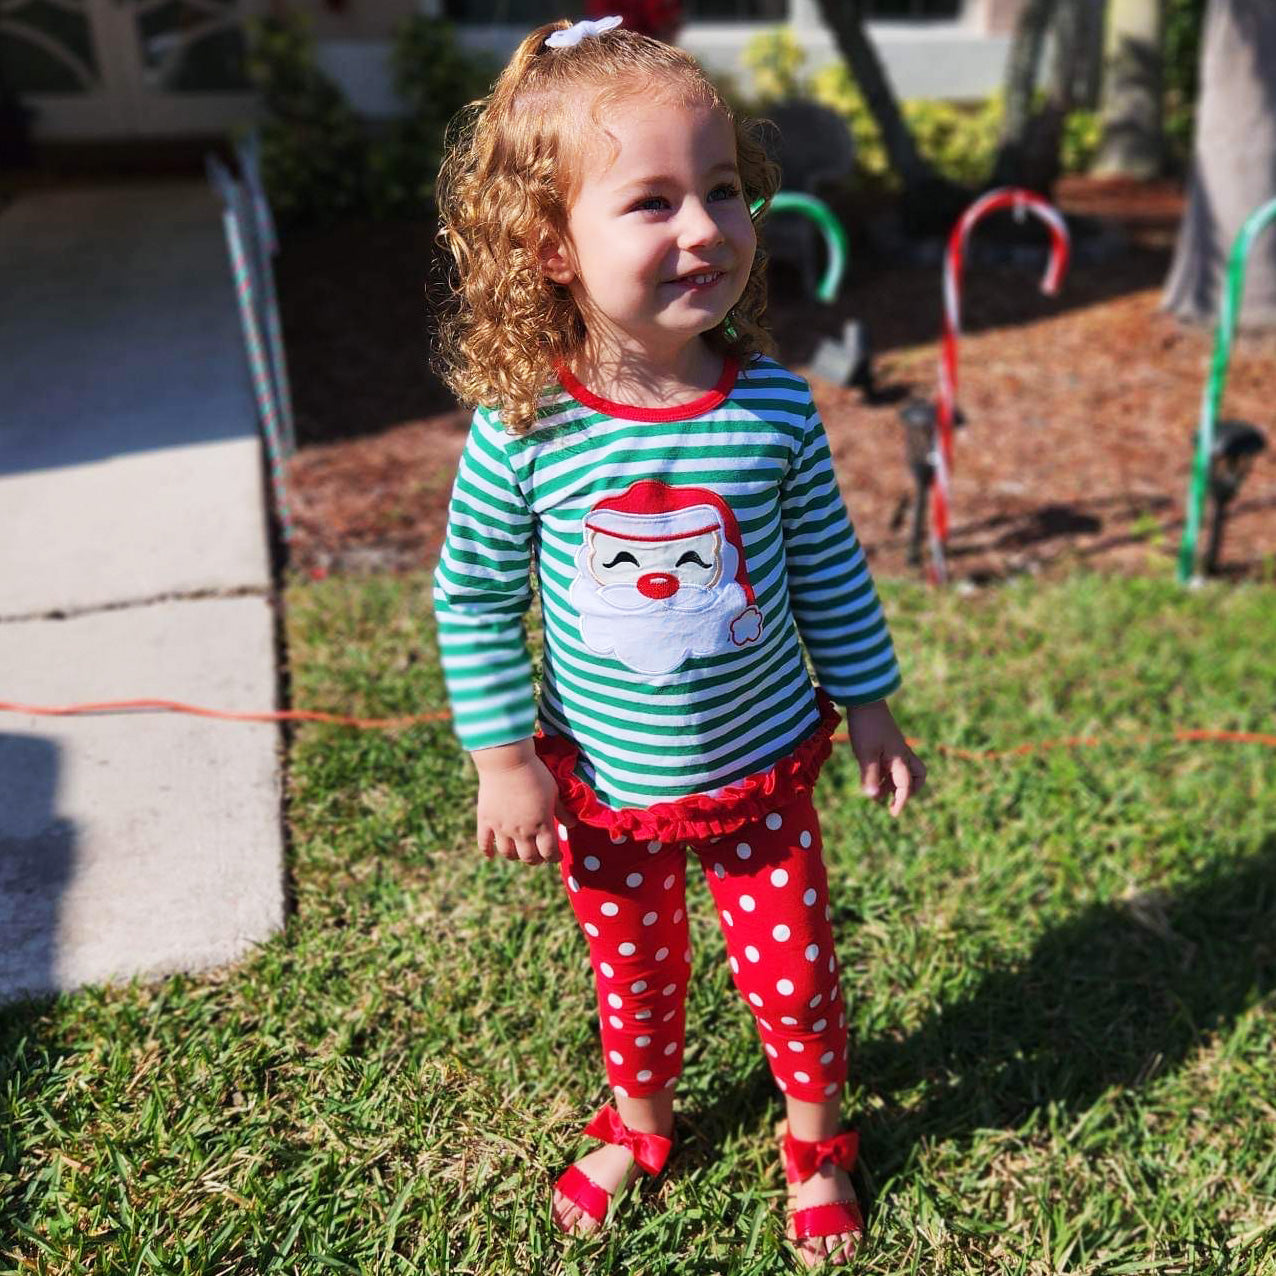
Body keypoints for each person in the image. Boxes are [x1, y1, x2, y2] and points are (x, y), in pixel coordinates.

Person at [432, 17, 926, 1268]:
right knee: (635, 976)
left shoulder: (768, 408)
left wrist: (868, 705)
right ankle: (641, 1120)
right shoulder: (526, 429)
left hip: (758, 769)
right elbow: (475, 596)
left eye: (720, 190)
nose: (703, 228)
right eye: (652, 202)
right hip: (605, 787)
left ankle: (815, 1142)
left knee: (794, 973)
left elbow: (825, 568)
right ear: (550, 246)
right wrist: (502, 757)